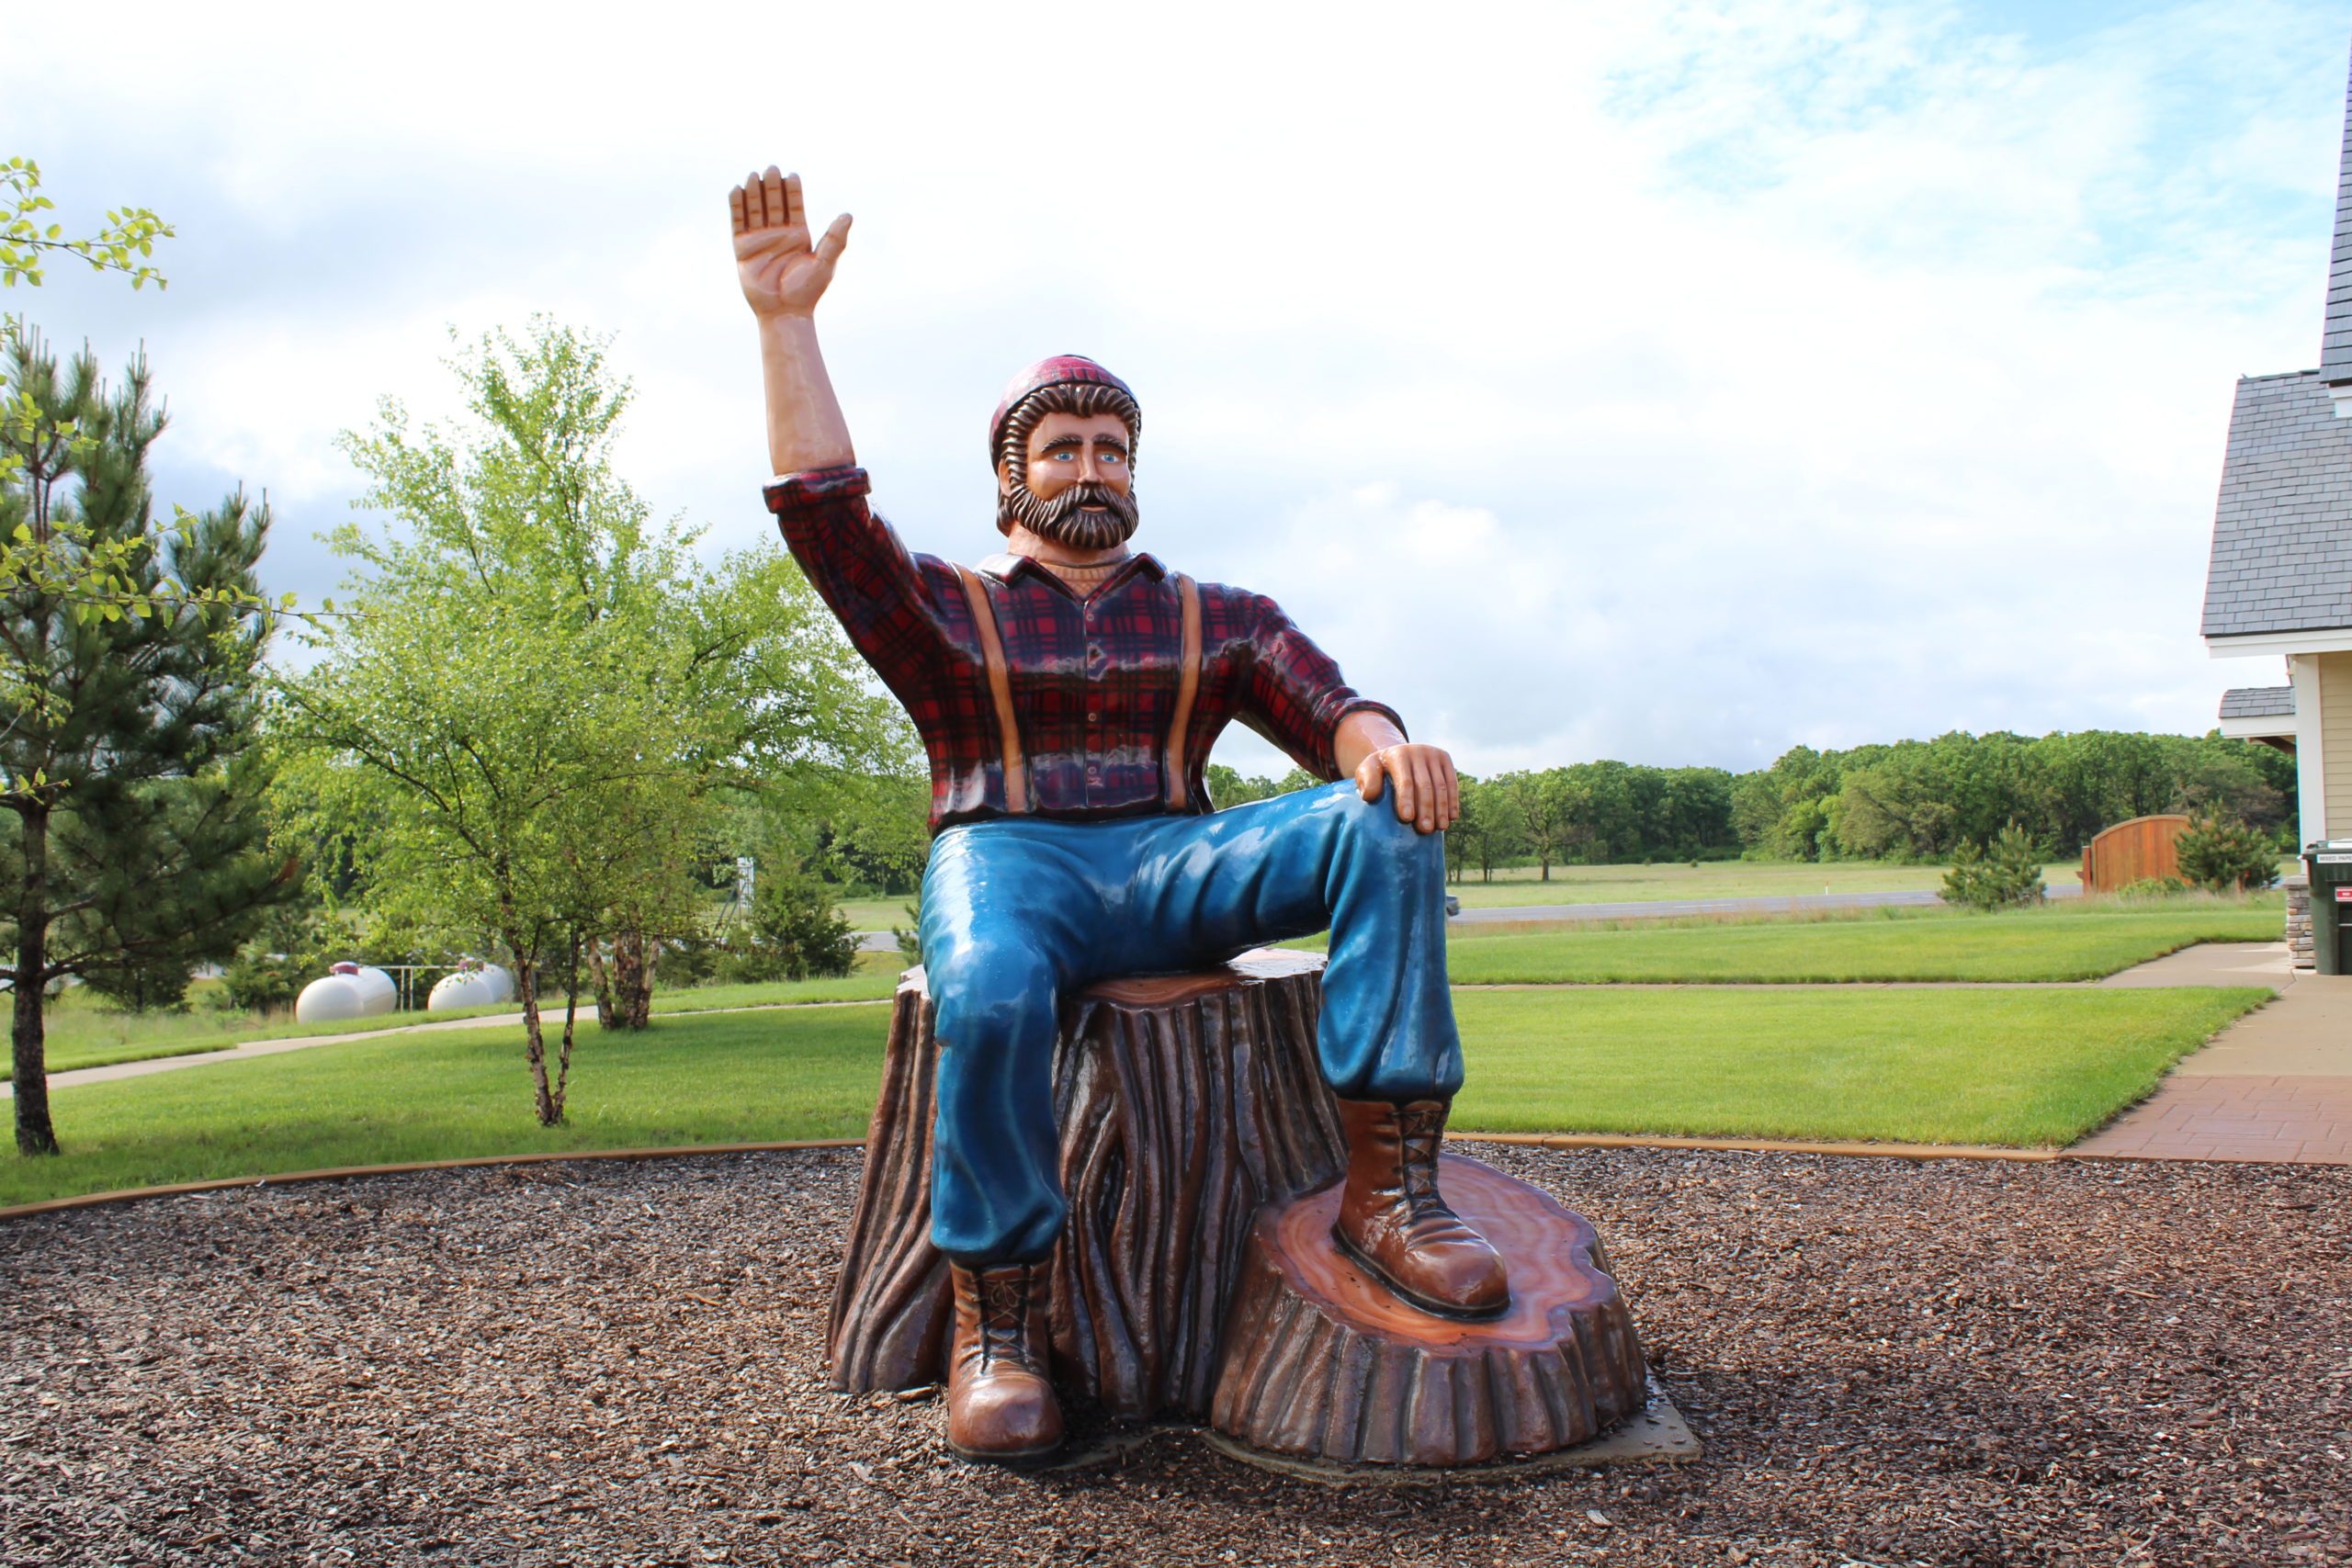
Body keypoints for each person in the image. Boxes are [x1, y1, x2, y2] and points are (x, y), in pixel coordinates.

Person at [731, 167, 1509, 1465]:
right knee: (986, 988)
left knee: (1381, 824)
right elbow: (827, 521)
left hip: (1177, 859)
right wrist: (785, 324)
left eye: (1111, 449)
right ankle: (1001, 1321)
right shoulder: (945, 609)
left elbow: (1330, 706)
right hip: (1009, 857)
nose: (1090, 467)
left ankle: (1393, 1193)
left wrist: (1387, 751)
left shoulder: (1217, 614)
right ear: (1012, 476)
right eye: (1063, 448)